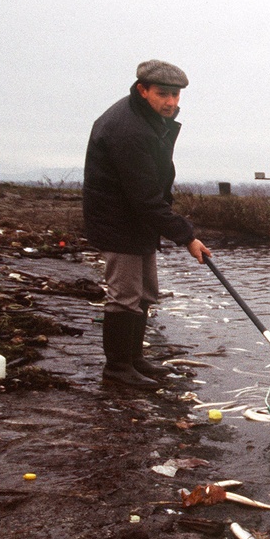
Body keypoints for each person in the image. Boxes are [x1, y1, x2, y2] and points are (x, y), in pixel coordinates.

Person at [83, 59, 211, 388]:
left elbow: (150, 191)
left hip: (139, 219)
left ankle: (134, 359)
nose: (170, 102)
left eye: (176, 95)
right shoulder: (128, 130)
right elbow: (143, 197)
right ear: (143, 90)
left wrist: (173, 229)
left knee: (146, 292)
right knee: (124, 295)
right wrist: (187, 238)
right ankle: (117, 369)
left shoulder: (149, 119)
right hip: (118, 220)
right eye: (163, 94)